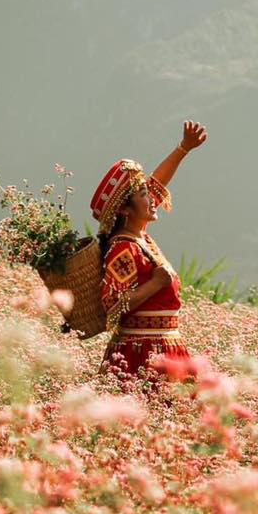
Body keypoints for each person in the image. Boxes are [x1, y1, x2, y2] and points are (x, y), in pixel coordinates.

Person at [90, 120, 207, 383]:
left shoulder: (140, 238)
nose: (152, 199)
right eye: (143, 196)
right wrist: (155, 283)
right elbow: (112, 306)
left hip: (165, 349)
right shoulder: (124, 248)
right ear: (125, 210)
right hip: (139, 356)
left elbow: (157, 183)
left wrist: (183, 148)